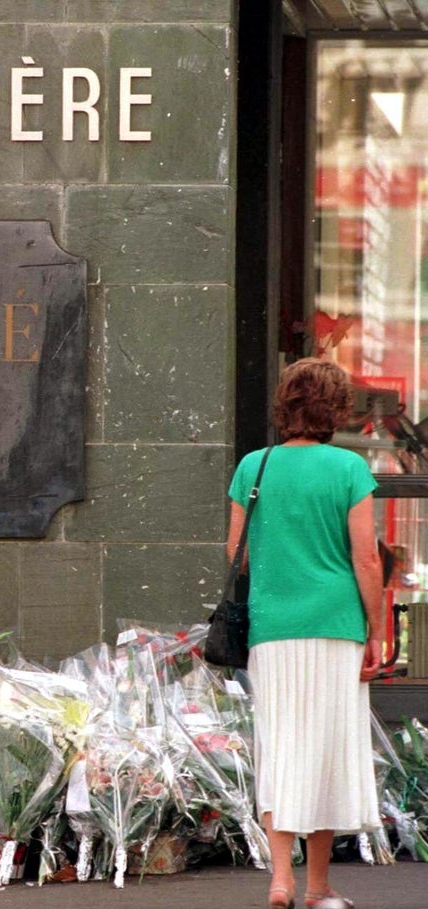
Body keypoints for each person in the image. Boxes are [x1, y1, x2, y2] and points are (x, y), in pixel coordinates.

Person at [227, 358, 384, 909]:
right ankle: (318, 887)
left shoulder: (255, 467)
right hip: (337, 625)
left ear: (285, 404)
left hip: (273, 628)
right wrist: (376, 631)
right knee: (326, 750)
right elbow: (366, 558)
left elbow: (236, 554)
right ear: (336, 407)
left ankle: (279, 880)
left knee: (281, 748)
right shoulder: (347, 470)